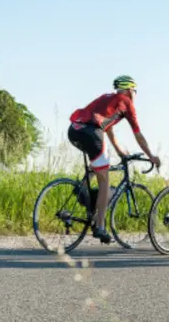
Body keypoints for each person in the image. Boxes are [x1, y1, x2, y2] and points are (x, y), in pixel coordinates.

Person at [68, 75, 161, 243]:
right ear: (129, 89)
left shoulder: (107, 98)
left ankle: (82, 188)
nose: (135, 94)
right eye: (134, 91)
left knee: (98, 165)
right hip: (91, 133)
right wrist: (151, 156)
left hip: (74, 130)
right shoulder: (127, 103)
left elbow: (107, 127)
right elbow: (138, 135)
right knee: (105, 181)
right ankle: (100, 227)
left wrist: (120, 151)